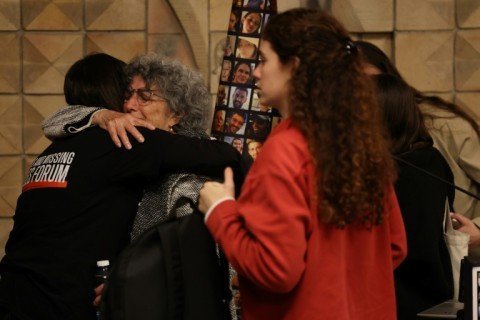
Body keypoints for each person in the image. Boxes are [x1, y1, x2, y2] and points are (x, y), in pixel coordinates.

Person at [198, 8, 407, 320]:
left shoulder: (286, 149)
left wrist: (220, 212)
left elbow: (277, 270)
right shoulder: (359, 141)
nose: (255, 72)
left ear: (294, 66)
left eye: (265, 60)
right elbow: (394, 246)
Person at [0, 53, 243, 320]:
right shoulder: (123, 141)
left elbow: (203, 263)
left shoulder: (54, 149)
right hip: (62, 304)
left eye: (144, 96)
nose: (129, 105)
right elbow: (227, 156)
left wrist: (133, 281)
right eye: (127, 95)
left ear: (177, 113)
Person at [355, 40, 480, 228]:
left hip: (461, 249)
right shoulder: (343, 135)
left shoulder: (444, 126)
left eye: (375, 83)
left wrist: (477, 231)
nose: (365, 95)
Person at [373, 74, 455, 319]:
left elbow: (402, 248)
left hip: (404, 303)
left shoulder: (399, 172)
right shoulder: (432, 160)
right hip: (435, 298)